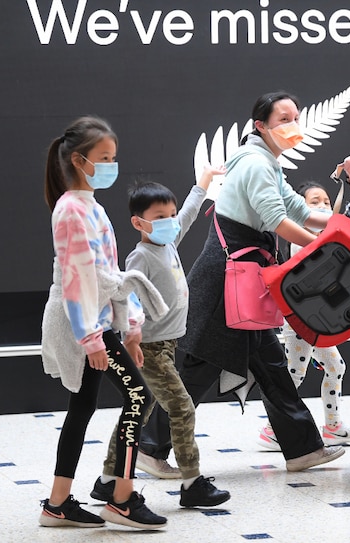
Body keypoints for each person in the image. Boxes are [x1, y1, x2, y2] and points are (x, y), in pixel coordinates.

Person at [138, 91, 345, 473]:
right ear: (260, 126)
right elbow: (279, 221)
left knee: (270, 366)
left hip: (240, 280)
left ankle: (302, 450)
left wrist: (340, 228)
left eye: (295, 117)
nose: (293, 125)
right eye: (284, 119)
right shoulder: (256, 164)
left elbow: (299, 209)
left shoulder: (266, 161)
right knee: (200, 366)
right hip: (226, 281)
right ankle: (151, 448)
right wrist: (325, 247)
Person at [38, 116, 167, 530]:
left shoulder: (89, 205)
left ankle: (57, 504)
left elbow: (107, 274)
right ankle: (121, 499)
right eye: (104, 157)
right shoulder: (71, 209)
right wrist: (93, 339)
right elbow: (78, 279)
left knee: (83, 406)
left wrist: (129, 327)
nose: (112, 164)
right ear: (79, 160)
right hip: (83, 323)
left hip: (96, 320)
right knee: (138, 399)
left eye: (113, 157)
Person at [89, 168, 231, 509]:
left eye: (170, 214)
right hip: (149, 348)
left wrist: (202, 184)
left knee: (138, 409)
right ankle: (192, 482)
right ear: (139, 223)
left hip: (166, 346)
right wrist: (132, 338)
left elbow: (188, 215)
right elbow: (127, 296)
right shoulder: (140, 256)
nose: (170, 222)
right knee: (182, 409)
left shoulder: (169, 243)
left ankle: (108, 480)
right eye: (160, 217)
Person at [257, 181, 350, 451]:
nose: (323, 206)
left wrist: (341, 185)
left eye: (325, 201)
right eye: (315, 202)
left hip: (315, 319)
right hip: (299, 320)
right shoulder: (300, 236)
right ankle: (273, 431)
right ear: (299, 208)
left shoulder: (320, 232)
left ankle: (333, 427)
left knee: (335, 367)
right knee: (294, 375)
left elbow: (334, 218)